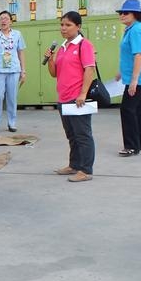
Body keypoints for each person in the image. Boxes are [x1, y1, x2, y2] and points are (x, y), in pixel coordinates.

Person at [44, 11, 96, 182]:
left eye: (68, 25)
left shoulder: (84, 45)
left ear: (78, 27)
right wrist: (50, 59)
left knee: (83, 135)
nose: (63, 28)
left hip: (77, 99)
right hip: (63, 98)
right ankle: (74, 165)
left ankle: (86, 170)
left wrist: (83, 93)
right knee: (72, 135)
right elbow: (54, 73)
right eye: (62, 25)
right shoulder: (63, 47)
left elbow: (89, 69)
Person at [115, 0, 141, 156]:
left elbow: (139, 55)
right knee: (139, 110)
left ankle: (131, 146)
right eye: (121, 13)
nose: (122, 15)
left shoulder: (136, 30)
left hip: (138, 78)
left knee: (127, 109)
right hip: (139, 76)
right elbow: (130, 54)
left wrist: (134, 80)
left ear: (136, 14)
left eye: (125, 13)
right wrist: (121, 71)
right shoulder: (133, 28)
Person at [0, 10, 26, 133]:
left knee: (12, 97)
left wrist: (23, 70)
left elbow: (21, 52)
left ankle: (12, 122)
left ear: (11, 21)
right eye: (1, 18)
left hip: (14, 69)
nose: (3, 20)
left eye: (6, 18)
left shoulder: (17, 34)